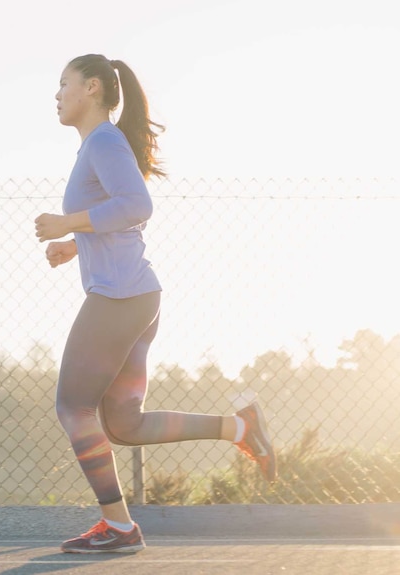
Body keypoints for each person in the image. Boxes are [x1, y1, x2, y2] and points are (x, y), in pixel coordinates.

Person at [34, 54, 276, 554]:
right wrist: (75, 244)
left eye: (64, 84)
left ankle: (120, 528)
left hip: (121, 298)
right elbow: (123, 217)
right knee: (123, 423)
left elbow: (138, 206)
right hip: (137, 296)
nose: (56, 95)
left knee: (73, 406)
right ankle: (241, 427)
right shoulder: (97, 146)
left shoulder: (102, 140)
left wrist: (68, 223)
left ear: (93, 88)